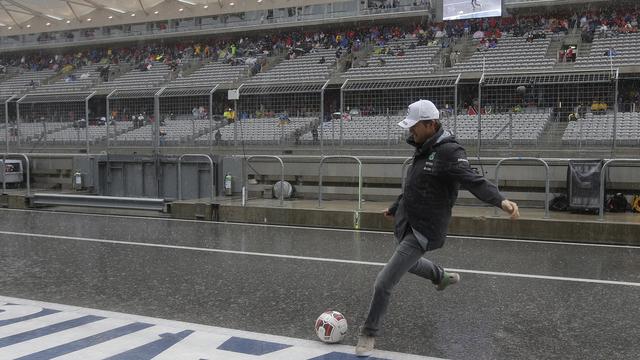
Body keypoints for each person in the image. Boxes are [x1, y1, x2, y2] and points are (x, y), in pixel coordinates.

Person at [355, 99, 520, 357]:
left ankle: (368, 333)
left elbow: (474, 180)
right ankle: (440, 276)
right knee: (405, 262)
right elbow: (415, 185)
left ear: (431, 124)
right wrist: (396, 206)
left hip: (424, 228)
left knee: (383, 282)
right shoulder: (423, 147)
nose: (411, 131)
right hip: (407, 220)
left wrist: (500, 200)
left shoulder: (449, 153)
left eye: (414, 126)